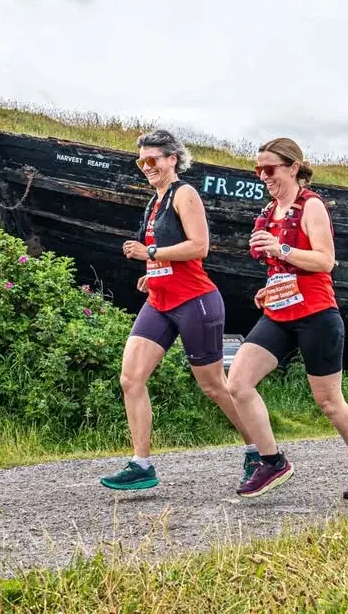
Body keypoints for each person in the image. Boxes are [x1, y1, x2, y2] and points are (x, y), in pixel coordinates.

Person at [226, 137, 348, 500]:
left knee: (329, 401)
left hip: (316, 315)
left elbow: (324, 261)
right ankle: (272, 461)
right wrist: (272, 287)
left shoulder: (311, 206)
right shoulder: (268, 213)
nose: (263, 176)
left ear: (293, 168)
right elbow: (285, 269)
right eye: (258, 170)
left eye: (270, 169)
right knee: (237, 382)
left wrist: (281, 248)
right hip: (279, 314)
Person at [101, 129, 257, 490]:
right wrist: (153, 273)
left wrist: (151, 255)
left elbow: (200, 247)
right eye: (141, 161)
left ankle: (260, 450)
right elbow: (171, 255)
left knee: (215, 386)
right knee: (131, 378)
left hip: (195, 301)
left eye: (153, 159)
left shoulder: (184, 194)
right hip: (160, 300)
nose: (146, 166)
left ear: (172, 159)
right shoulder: (154, 201)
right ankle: (142, 464)